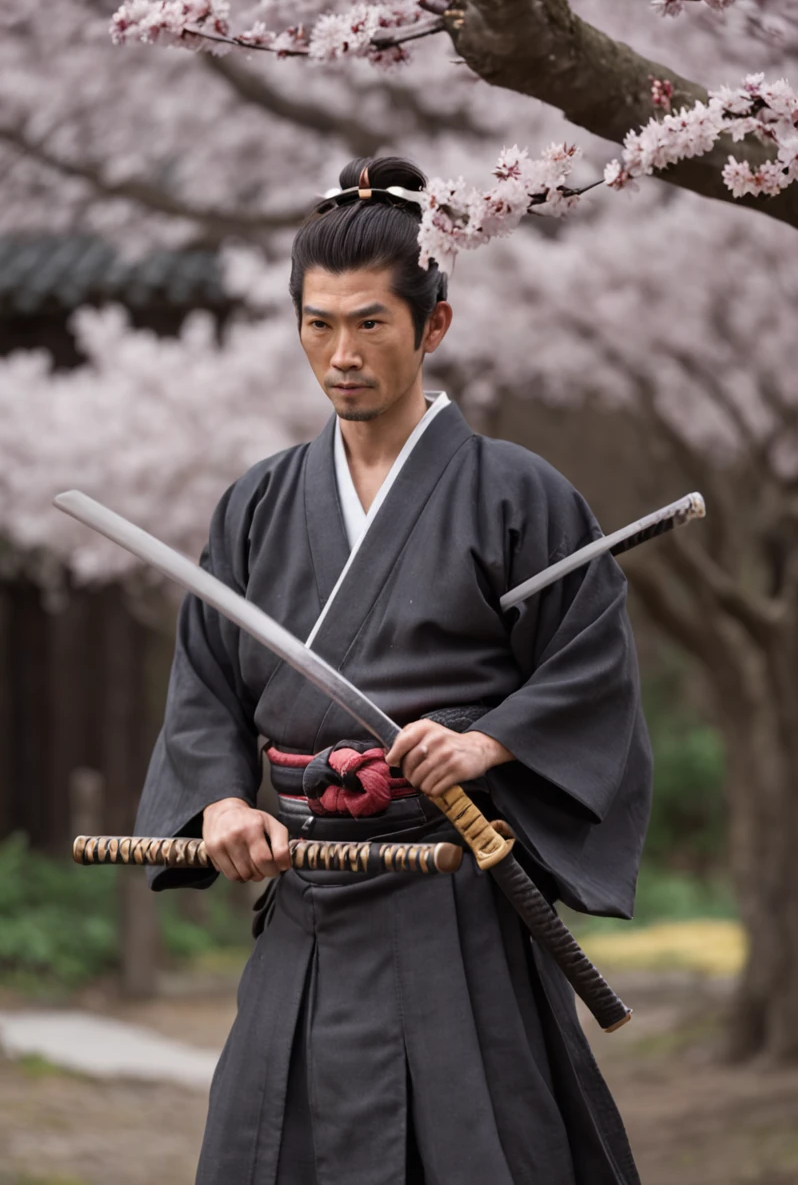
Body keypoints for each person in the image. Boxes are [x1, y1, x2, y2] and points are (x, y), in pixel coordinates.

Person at [135, 154, 652, 1185]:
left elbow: (588, 661)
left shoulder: (517, 493)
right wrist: (223, 804)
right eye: (317, 323)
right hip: (308, 893)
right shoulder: (258, 503)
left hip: (450, 888)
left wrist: (487, 740)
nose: (341, 354)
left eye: (370, 321)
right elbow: (204, 684)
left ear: (433, 326)